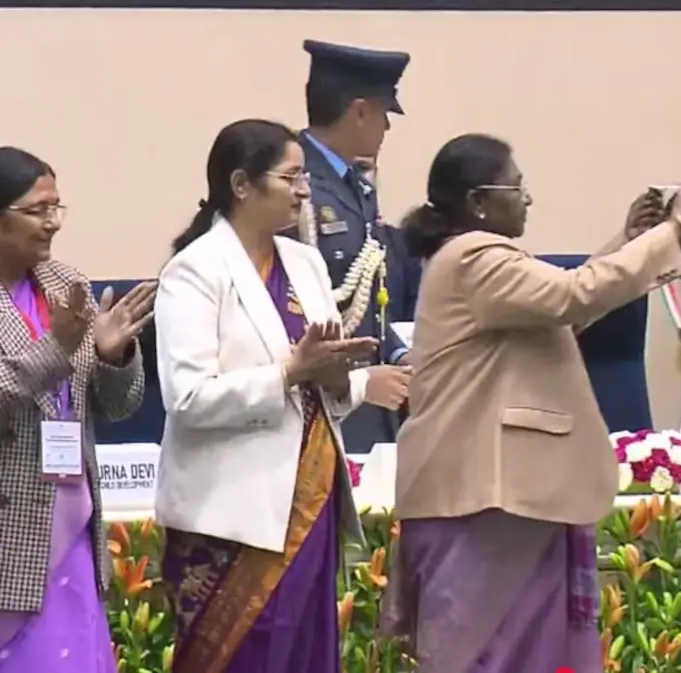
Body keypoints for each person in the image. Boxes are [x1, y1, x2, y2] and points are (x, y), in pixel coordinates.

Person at [377, 133, 681, 672]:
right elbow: (571, 295)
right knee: (487, 657)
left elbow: (564, 310)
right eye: (516, 186)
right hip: (482, 497)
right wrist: (674, 231)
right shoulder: (473, 256)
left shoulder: (479, 259)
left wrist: (630, 239)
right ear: (478, 203)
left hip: (499, 497)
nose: (527, 198)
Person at [153, 119, 412, 673]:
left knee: (305, 650)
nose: (303, 191)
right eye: (291, 177)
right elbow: (189, 399)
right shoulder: (194, 271)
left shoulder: (304, 263)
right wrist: (291, 372)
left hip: (308, 499)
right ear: (242, 184)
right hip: (233, 516)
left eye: (305, 179)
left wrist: (340, 375)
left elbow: (324, 393)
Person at [0, 147, 152, 672]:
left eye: (57, 208)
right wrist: (58, 348)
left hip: (72, 523)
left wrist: (114, 356)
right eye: (38, 210)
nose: (52, 225)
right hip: (11, 532)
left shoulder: (67, 286)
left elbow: (114, 407)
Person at [292, 39, 422, 453]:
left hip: (369, 407)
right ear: (361, 111)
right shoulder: (296, 187)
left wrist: (400, 356)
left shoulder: (355, 188)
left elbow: (368, 305)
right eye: (385, 114)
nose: (386, 128)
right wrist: (359, 383)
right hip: (315, 408)